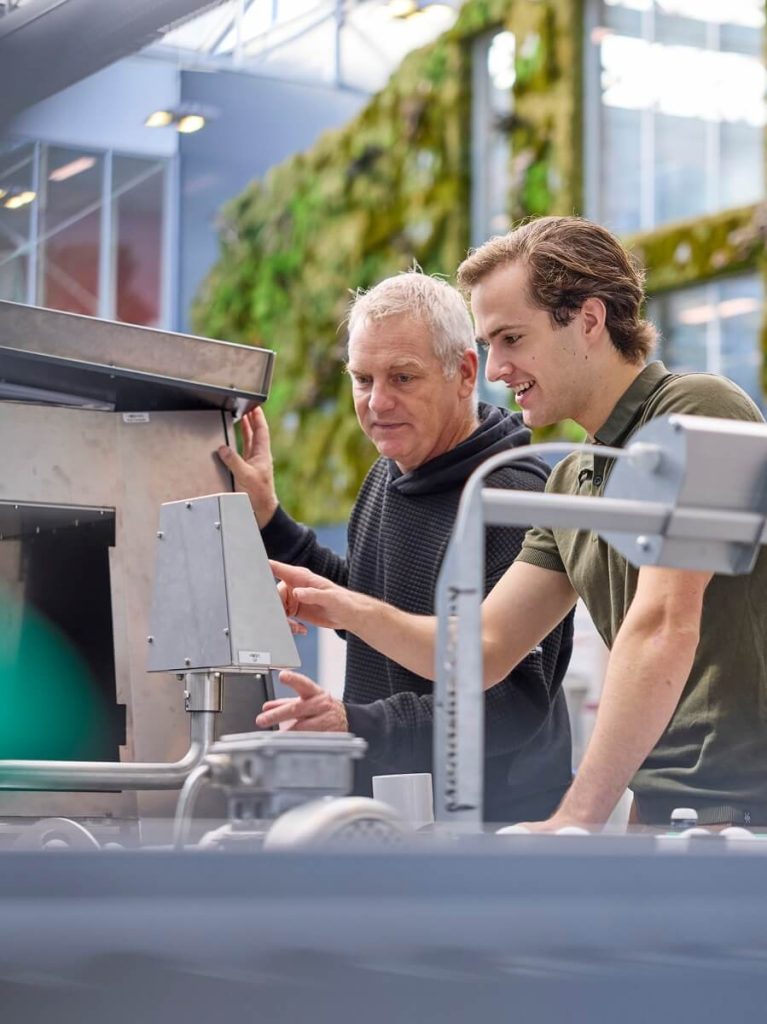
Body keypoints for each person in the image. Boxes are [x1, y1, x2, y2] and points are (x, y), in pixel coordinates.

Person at [269, 216, 767, 830]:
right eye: (489, 345)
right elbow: (481, 648)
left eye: (511, 338)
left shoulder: (699, 410)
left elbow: (663, 624)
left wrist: (577, 817)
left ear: (588, 320)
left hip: (747, 802)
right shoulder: (573, 481)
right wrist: (339, 607)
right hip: (670, 804)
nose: (497, 369)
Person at [218, 271, 574, 823]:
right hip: (393, 813)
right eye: (362, 379)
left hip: (498, 831)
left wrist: (360, 724)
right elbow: (373, 608)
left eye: (402, 378)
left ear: (464, 373)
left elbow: (512, 708)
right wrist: (270, 518)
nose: (377, 402)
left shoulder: (510, 495)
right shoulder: (389, 473)